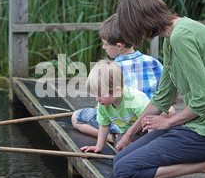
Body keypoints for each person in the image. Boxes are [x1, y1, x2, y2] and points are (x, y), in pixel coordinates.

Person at [113, 0, 205, 178]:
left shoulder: (181, 37)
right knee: (121, 159)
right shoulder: (172, 36)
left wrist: (168, 122)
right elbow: (162, 98)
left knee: (124, 171)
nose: (139, 38)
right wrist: (129, 134)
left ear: (141, 22)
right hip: (197, 124)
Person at [72, 14, 170, 143]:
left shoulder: (112, 69)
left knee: (76, 118)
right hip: (150, 117)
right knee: (170, 111)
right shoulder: (153, 62)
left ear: (119, 46)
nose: (103, 48)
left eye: (106, 45)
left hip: (126, 120)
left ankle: (111, 137)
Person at [79, 59, 150, 153]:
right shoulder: (103, 104)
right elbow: (104, 125)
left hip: (146, 130)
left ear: (117, 90)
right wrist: (98, 146)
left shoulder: (135, 100)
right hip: (127, 132)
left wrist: (151, 144)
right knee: (120, 146)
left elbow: (150, 123)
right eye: (96, 95)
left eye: (101, 95)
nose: (97, 99)